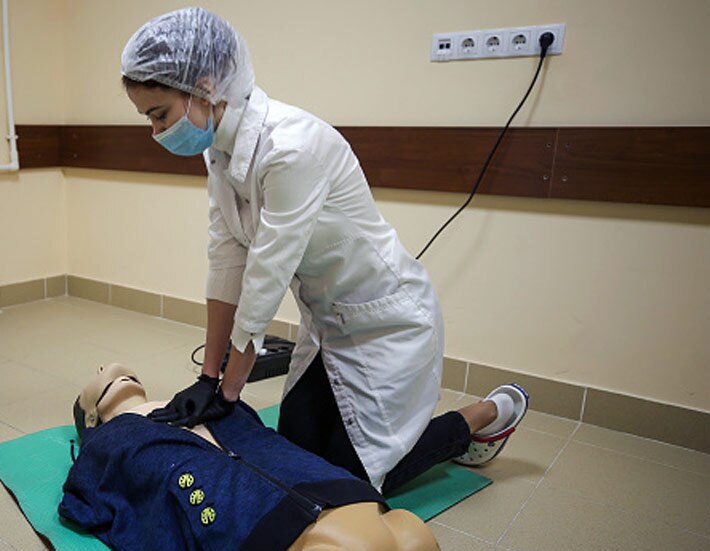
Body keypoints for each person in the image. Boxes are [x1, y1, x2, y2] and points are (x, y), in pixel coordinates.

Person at [119, 7, 529, 493]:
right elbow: (226, 259)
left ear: (204, 88)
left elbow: (266, 275)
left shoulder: (290, 148)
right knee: (296, 457)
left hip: (387, 322)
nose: (156, 131)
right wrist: (209, 377)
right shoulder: (220, 152)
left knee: (351, 478)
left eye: (159, 114)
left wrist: (227, 392)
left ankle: (486, 414)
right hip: (328, 324)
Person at [60, 363, 445, 551]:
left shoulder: (191, 403)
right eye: (100, 374)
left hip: (345, 497)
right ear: (91, 419)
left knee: (403, 543)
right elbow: (85, 498)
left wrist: (219, 398)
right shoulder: (105, 443)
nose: (109, 369)